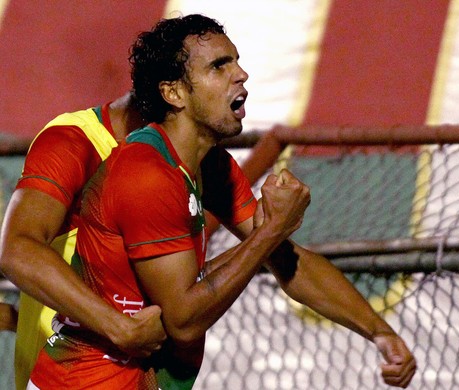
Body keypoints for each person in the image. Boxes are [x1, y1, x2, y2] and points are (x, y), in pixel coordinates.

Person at [29, 14, 417, 389]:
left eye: (236, 61)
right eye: (219, 66)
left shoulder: (207, 165)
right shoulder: (146, 173)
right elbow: (184, 320)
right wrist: (270, 232)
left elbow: (286, 260)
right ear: (174, 93)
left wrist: (378, 331)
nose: (241, 74)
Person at [0, 92, 167, 390]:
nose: (240, 74)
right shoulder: (75, 143)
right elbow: (16, 251)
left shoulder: (184, 159)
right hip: (63, 374)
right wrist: (122, 329)